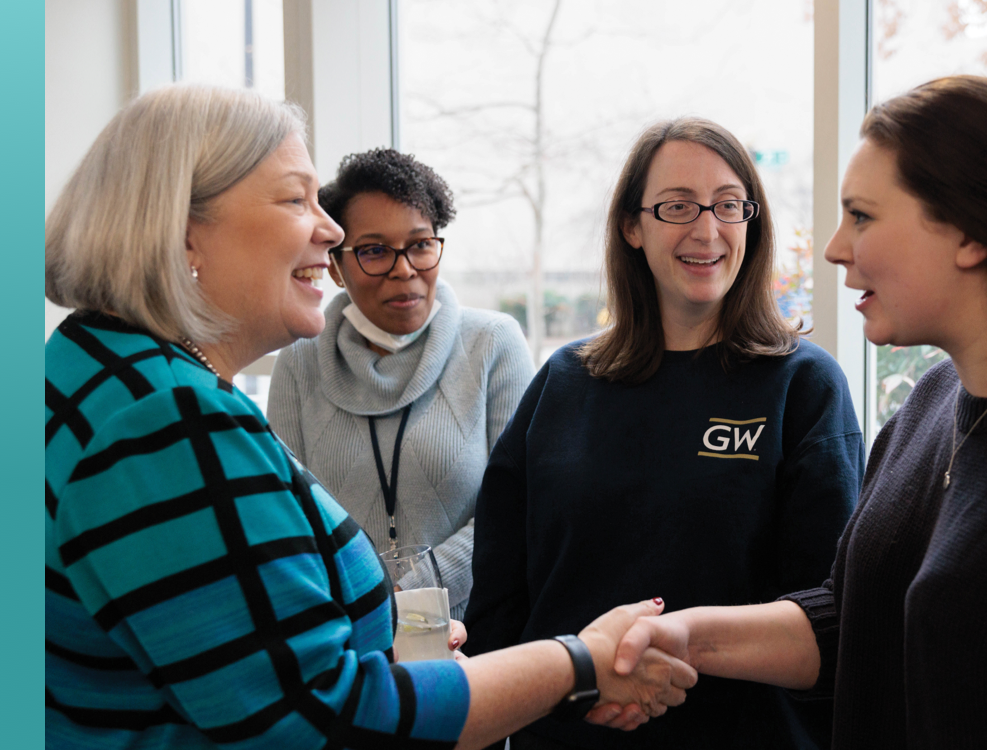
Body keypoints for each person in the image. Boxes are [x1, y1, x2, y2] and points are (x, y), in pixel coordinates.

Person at [44, 83, 697, 750]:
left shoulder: (94, 367)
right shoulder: (169, 421)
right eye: (296, 199)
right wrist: (577, 663)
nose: (329, 232)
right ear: (185, 233)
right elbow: (330, 721)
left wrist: (381, 636)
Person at [611, 76, 987, 749]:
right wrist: (686, 637)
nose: (834, 247)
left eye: (861, 215)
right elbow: (853, 621)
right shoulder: (930, 405)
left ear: (971, 235)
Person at [463, 117, 865, 749]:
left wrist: (647, 668)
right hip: (571, 732)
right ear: (632, 226)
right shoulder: (563, 384)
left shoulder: (803, 386)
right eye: (678, 206)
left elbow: (828, 608)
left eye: (729, 206)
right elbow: (500, 594)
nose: (706, 230)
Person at [267, 148, 533, 621]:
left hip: (478, 633)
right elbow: (284, 518)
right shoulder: (299, 360)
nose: (404, 269)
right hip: (349, 634)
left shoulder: (493, 344)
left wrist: (407, 596)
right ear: (336, 267)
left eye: (420, 245)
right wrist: (368, 608)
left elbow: (519, 509)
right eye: (374, 251)